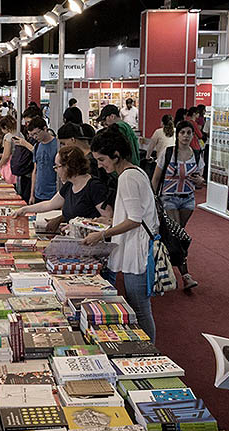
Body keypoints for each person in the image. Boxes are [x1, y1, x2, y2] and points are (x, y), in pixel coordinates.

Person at [83, 128, 159, 342]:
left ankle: (150, 351)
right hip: (137, 249)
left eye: (102, 159)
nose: (100, 165)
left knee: (140, 309)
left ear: (116, 155)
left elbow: (134, 219)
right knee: (139, 307)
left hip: (137, 253)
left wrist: (102, 234)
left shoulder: (127, 177)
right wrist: (110, 222)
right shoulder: (135, 172)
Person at [151, 120, 205, 291]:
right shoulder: (168, 153)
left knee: (176, 235)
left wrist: (200, 181)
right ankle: (185, 275)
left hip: (188, 199)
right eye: (183, 133)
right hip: (168, 199)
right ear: (177, 134)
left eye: (189, 133)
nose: (186, 136)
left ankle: (165, 265)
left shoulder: (196, 155)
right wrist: (153, 199)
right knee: (177, 235)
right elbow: (156, 178)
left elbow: (201, 180)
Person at [14, 145, 111, 228]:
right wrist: (25, 209)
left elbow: (108, 218)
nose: (56, 170)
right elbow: (50, 204)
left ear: (68, 166)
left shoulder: (94, 186)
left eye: (57, 166)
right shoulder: (69, 185)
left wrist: (80, 225)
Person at [25, 116, 59, 205]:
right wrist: (32, 194)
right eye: (32, 135)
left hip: (53, 193)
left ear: (45, 128)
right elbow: (35, 170)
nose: (35, 137)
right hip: (38, 193)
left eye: (36, 133)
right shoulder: (37, 146)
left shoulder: (58, 145)